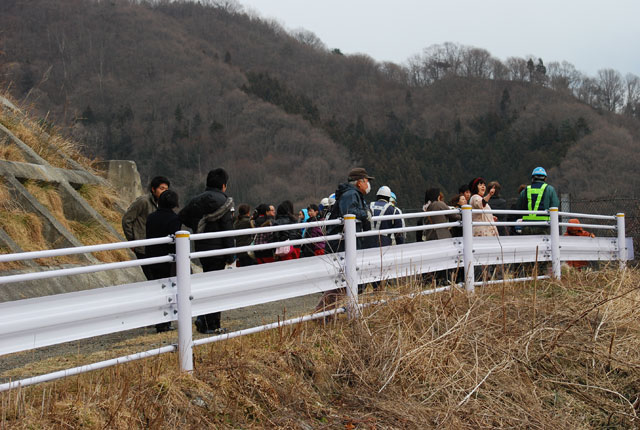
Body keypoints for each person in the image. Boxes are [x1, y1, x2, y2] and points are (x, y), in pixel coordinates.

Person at [178, 168, 234, 335]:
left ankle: (204, 319)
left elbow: (182, 217)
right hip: (219, 251)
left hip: (201, 249)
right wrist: (231, 254)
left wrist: (198, 225)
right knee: (216, 287)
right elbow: (227, 229)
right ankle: (211, 323)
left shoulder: (197, 200)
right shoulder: (225, 201)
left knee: (207, 283)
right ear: (224, 185)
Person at [145, 189, 181, 333]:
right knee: (169, 290)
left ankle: (159, 322)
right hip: (168, 258)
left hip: (152, 256)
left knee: (156, 289)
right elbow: (175, 242)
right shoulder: (174, 219)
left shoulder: (151, 217)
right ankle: (165, 322)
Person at [122, 176, 170, 279]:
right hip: (143, 247)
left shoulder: (163, 204)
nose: (164, 192)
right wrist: (132, 241)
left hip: (157, 247)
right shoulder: (143, 201)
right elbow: (127, 220)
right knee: (151, 277)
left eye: (166, 189)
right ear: (153, 189)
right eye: (161, 188)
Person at [326, 167, 374, 252]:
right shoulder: (350, 194)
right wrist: (365, 214)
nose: (368, 184)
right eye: (367, 181)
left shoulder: (354, 194)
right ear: (359, 182)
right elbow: (349, 212)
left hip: (346, 240)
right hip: (341, 243)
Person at [516, 167, 560, 235]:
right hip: (543, 226)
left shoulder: (526, 190)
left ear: (533, 178)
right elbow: (555, 205)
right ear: (545, 178)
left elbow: (518, 207)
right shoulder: (550, 190)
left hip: (527, 226)